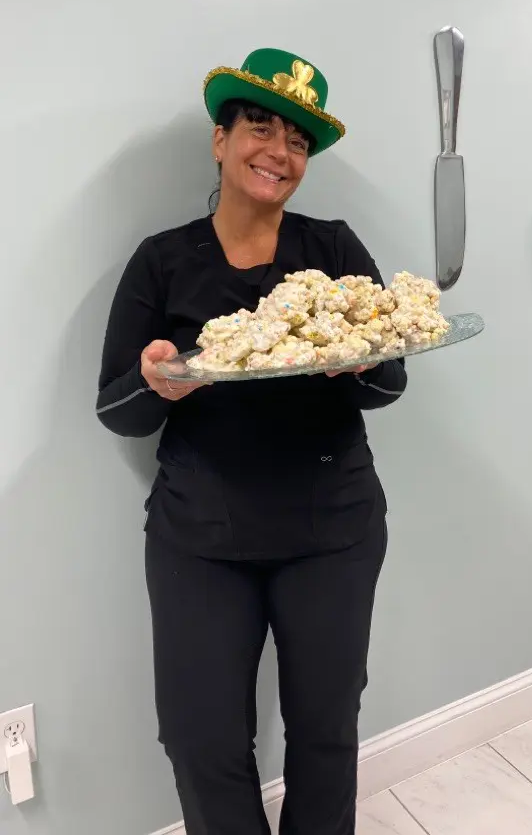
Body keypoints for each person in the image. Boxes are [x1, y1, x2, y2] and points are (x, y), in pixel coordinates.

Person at [96, 48, 407, 835]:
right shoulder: (163, 262)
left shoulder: (333, 251)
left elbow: (390, 381)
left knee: (326, 737)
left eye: (297, 141)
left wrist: (355, 364)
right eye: (261, 128)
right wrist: (161, 381)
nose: (279, 151)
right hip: (200, 536)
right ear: (221, 140)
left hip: (331, 529)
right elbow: (118, 409)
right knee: (200, 740)